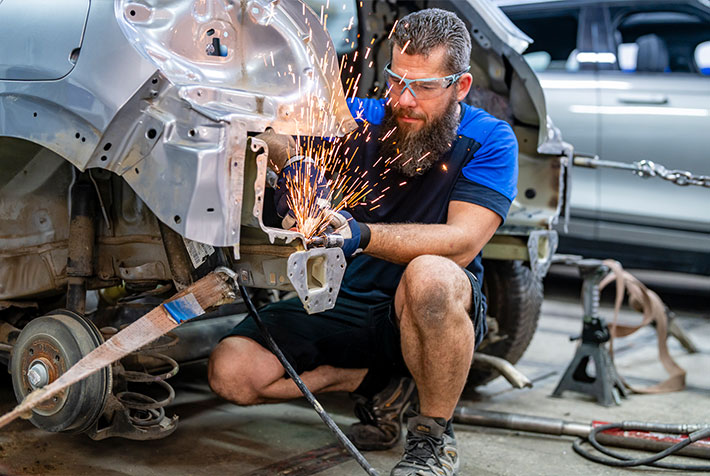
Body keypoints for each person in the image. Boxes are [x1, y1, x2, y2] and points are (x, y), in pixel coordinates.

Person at [208, 8, 518, 476]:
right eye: (396, 80)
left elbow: (462, 242)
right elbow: (275, 126)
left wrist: (361, 233)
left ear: (461, 86)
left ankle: (432, 437)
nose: (404, 99)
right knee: (231, 372)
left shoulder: (490, 139)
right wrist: (290, 161)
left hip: (427, 308)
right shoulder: (359, 119)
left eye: (425, 87)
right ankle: (383, 383)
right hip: (347, 300)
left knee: (430, 273)